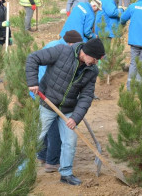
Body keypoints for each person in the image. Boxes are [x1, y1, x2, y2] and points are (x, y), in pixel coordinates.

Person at [26, 38, 105, 186]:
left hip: (68, 109)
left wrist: (75, 118)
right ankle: (21, 172)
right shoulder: (62, 51)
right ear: (86, 53)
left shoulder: (92, 71)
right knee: (36, 138)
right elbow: (33, 58)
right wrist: (32, 82)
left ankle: (66, 173)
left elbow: (86, 96)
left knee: (70, 141)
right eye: (94, 59)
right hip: (47, 103)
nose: (95, 63)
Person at [35, 30, 83, 173]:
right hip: (46, 92)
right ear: (71, 43)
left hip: (44, 90)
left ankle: (42, 156)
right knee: (53, 128)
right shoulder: (61, 50)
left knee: (45, 127)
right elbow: (49, 73)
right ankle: (52, 161)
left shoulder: (56, 45)